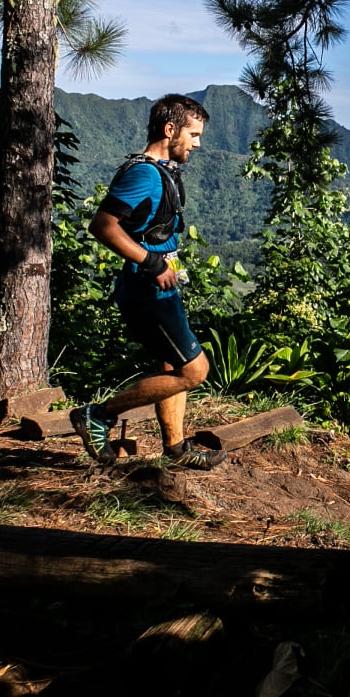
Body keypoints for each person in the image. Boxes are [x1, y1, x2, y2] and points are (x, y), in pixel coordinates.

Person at [69, 93, 227, 470]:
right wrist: (153, 264)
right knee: (195, 371)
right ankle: (99, 415)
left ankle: (175, 448)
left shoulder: (162, 169)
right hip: (148, 289)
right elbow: (103, 225)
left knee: (172, 367)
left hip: (160, 287)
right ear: (170, 129)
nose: (198, 143)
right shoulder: (144, 173)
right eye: (194, 133)